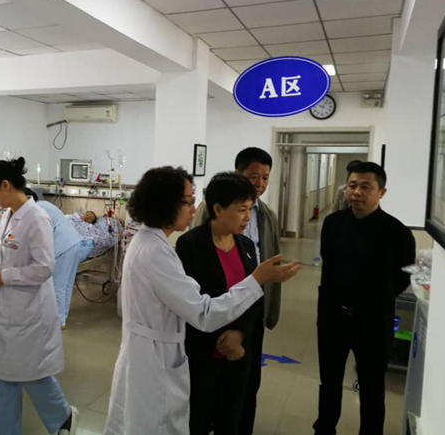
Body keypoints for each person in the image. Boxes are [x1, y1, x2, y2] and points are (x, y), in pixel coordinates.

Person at [104, 166, 300, 435]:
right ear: (166, 204)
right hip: (155, 361)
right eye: (188, 201)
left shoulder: (149, 242)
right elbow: (204, 313)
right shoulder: (158, 253)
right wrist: (256, 280)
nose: (194, 209)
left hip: (150, 354)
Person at [0, 157, 78, 435]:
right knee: (2, 376)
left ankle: (63, 419)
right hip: (7, 308)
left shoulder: (36, 218)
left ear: (5, 185)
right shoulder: (7, 215)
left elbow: (44, 268)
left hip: (28, 311)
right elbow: (3, 257)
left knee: (32, 374)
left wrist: (3, 277)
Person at [314, 162, 416, 435]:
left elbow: (402, 277)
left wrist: (372, 298)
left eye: (365, 187)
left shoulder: (397, 232)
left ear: (381, 192)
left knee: (372, 385)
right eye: (352, 185)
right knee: (329, 380)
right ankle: (324, 428)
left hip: (373, 321)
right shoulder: (333, 223)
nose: (356, 192)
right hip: (333, 317)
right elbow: (328, 261)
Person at [191, 147, 280, 434]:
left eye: (266, 178)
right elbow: (196, 291)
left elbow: (265, 275)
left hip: (248, 320)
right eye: (254, 176)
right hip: (210, 326)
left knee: (245, 386)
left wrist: (263, 316)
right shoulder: (200, 231)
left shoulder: (264, 218)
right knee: (204, 398)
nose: (260, 184)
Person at [176, 172, 263, 435]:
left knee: (231, 421)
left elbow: (254, 297)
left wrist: (239, 334)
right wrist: (221, 341)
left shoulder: (246, 246)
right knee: (197, 421)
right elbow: (189, 303)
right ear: (217, 209)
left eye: (249, 209)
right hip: (202, 353)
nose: (248, 217)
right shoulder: (190, 245)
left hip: (238, 354)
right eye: (241, 210)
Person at [35, 200, 84, 329]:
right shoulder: (44, 204)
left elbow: (39, 234)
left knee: (58, 286)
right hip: (74, 242)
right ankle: (62, 317)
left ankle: (58, 320)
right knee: (66, 284)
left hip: (63, 246)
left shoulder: (36, 209)